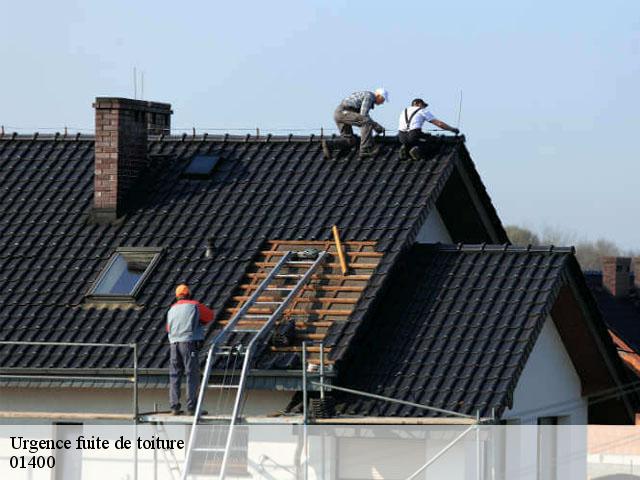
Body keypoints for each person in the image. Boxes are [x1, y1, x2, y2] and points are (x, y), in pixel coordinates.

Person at [166, 283, 215, 415]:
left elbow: (168, 328)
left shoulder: (171, 309)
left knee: (174, 375)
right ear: (188, 294)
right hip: (188, 344)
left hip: (173, 344)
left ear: (177, 296)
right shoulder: (194, 305)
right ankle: (192, 407)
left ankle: (174, 407)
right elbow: (210, 316)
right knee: (192, 374)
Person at [322, 88, 388, 160]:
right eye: (383, 99)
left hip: (338, 113)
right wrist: (376, 126)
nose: (382, 103)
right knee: (366, 123)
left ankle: (329, 144)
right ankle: (365, 149)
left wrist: (375, 125)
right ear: (378, 96)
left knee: (350, 140)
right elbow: (364, 116)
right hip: (344, 112)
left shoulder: (365, 95)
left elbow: (362, 116)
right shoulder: (370, 96)